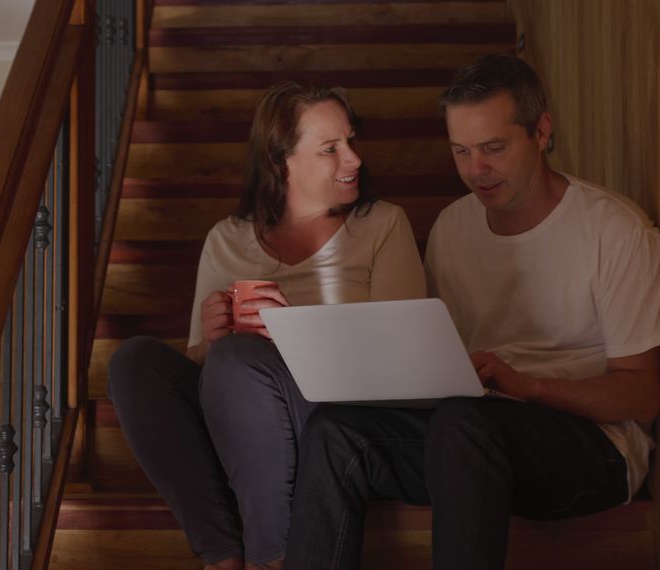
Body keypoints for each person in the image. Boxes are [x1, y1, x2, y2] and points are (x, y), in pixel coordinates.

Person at [284, 54, 660, 569]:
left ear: (542, 131)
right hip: (471, 440)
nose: (475, 170)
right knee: (334, 430)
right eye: (461, 151)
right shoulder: (452, 228)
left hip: (594, 450)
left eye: (493, 148)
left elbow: (641, 394)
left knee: (464, 422)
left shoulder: (614, 229)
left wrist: (528, 386)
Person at [108, 81, 426, 570]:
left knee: (241, 358)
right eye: (330, 149)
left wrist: (295, 336)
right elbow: (201, 370)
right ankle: (222, 556)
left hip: (330, 419)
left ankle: (269, 559)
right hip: (238, 417)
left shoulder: (382, 225)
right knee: (136, 360)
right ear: (282, 162)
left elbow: (401, 361)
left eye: (351, 140)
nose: (354, 158)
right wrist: (212, 339)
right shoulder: (227, 238)